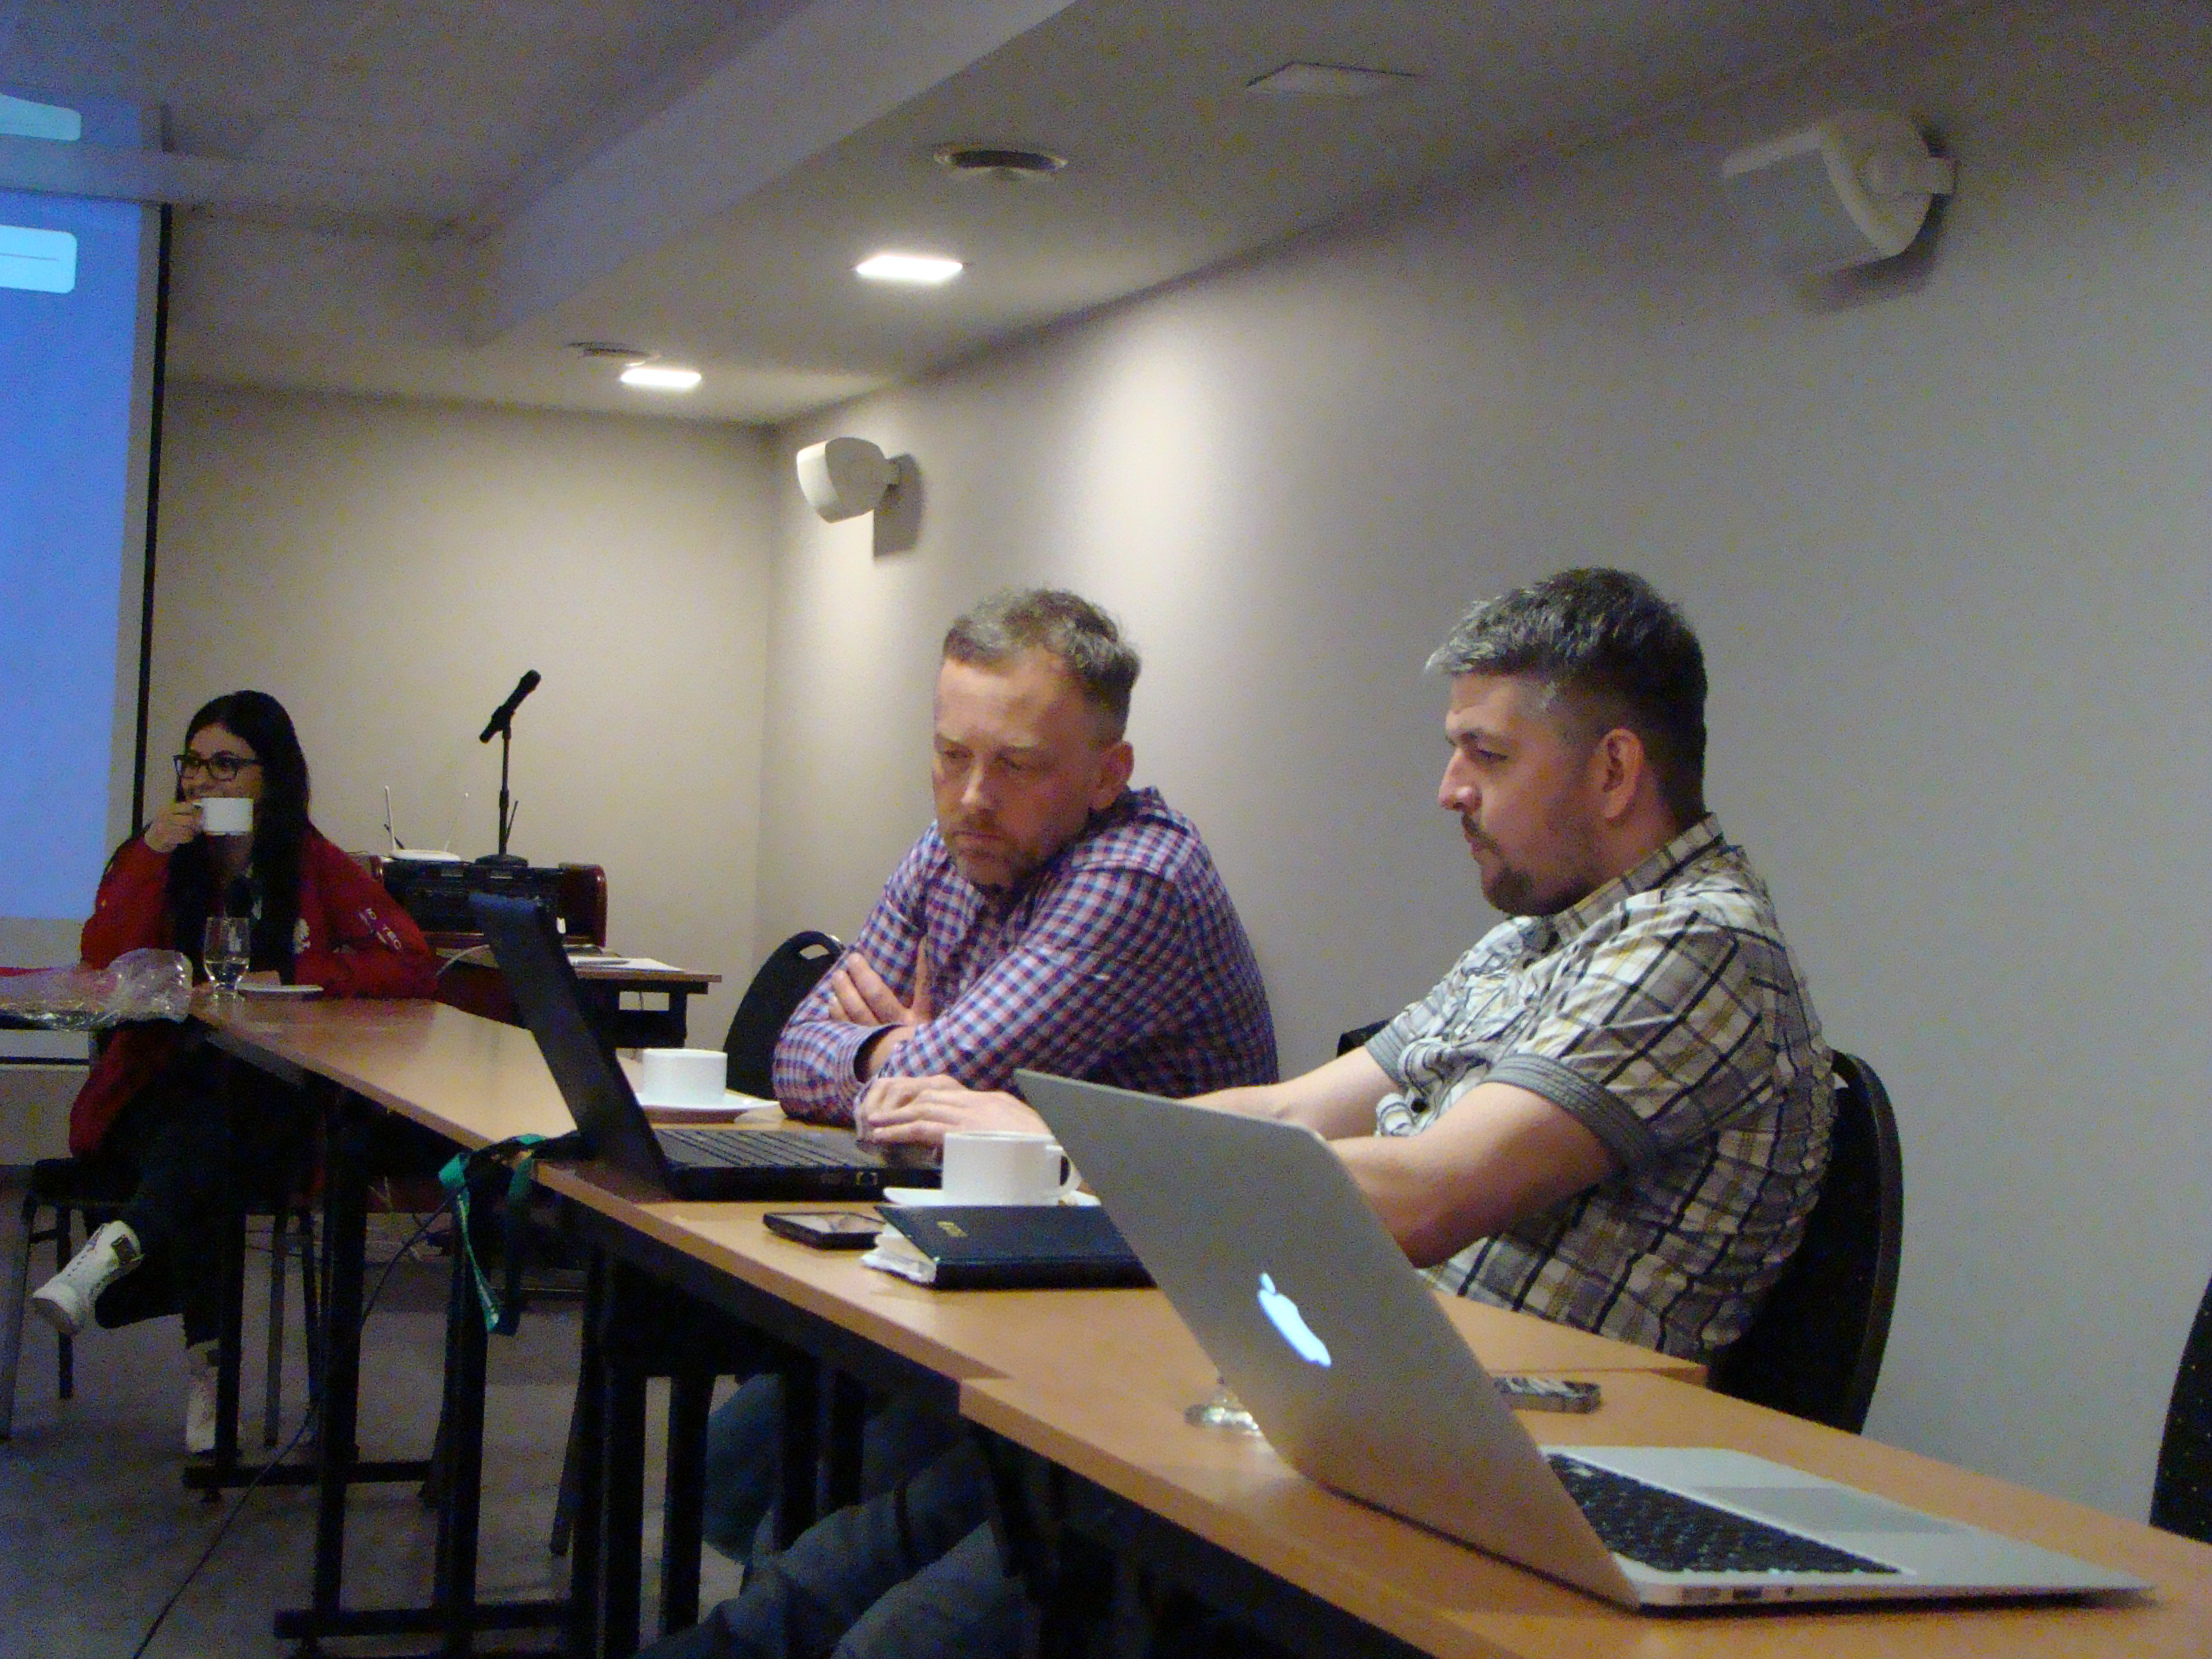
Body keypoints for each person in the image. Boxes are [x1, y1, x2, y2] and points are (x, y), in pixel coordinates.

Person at [671, 567, 1832, 1659]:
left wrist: (1068, 1143)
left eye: (1484, 753)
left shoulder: (1698, 944)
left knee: (896, 1630)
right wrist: (1078, 1137)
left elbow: (1424, 1196)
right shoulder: (1530, 944)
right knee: (823, 1581)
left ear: (1615, 771)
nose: (1448, 789)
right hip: (1347, 1413)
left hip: (1489, 1492)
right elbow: (1290, 1109)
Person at [697, 587, 1276, 1568]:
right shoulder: (953, 848)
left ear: (1109, 773)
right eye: (950, 754)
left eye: (1017, 765)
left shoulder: (1138, 876)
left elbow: (940, 1076)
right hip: (978, 1264)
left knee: (800, 1528)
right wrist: (888, 1055)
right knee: (732, 1470)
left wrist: (906, 1056)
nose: (971, 796)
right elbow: (797, 1051)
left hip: (1129, 1329)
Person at [29, 691, 441, 1452]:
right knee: (201, 1133)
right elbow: (104, 959)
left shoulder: (310, 861)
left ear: (270, 777)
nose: (202, 781)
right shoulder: (155, 857)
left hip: (272, 1094)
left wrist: (297, 974)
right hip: (155, 1088)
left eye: (225, 765)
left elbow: (411, 962)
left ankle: (129, 1264)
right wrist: (152, 853)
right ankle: (204, 1369)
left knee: (215, 1131)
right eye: (192, 763)